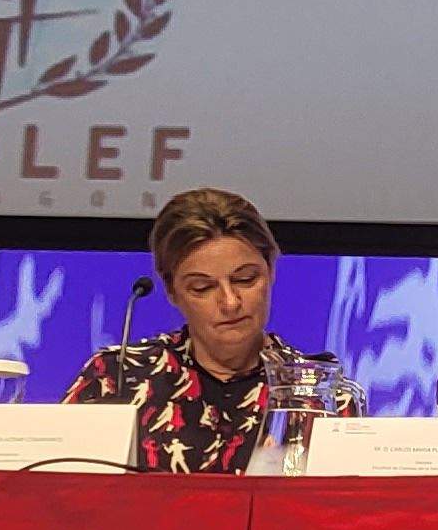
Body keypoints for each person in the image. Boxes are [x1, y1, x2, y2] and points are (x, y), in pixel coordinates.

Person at [65, 188, 306, 474]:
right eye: (202, 287)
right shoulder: (116, 376)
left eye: (245, 279)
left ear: (271, 271)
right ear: (172, 291)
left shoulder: (317, 394)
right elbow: (54, 489)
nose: (230, 302)